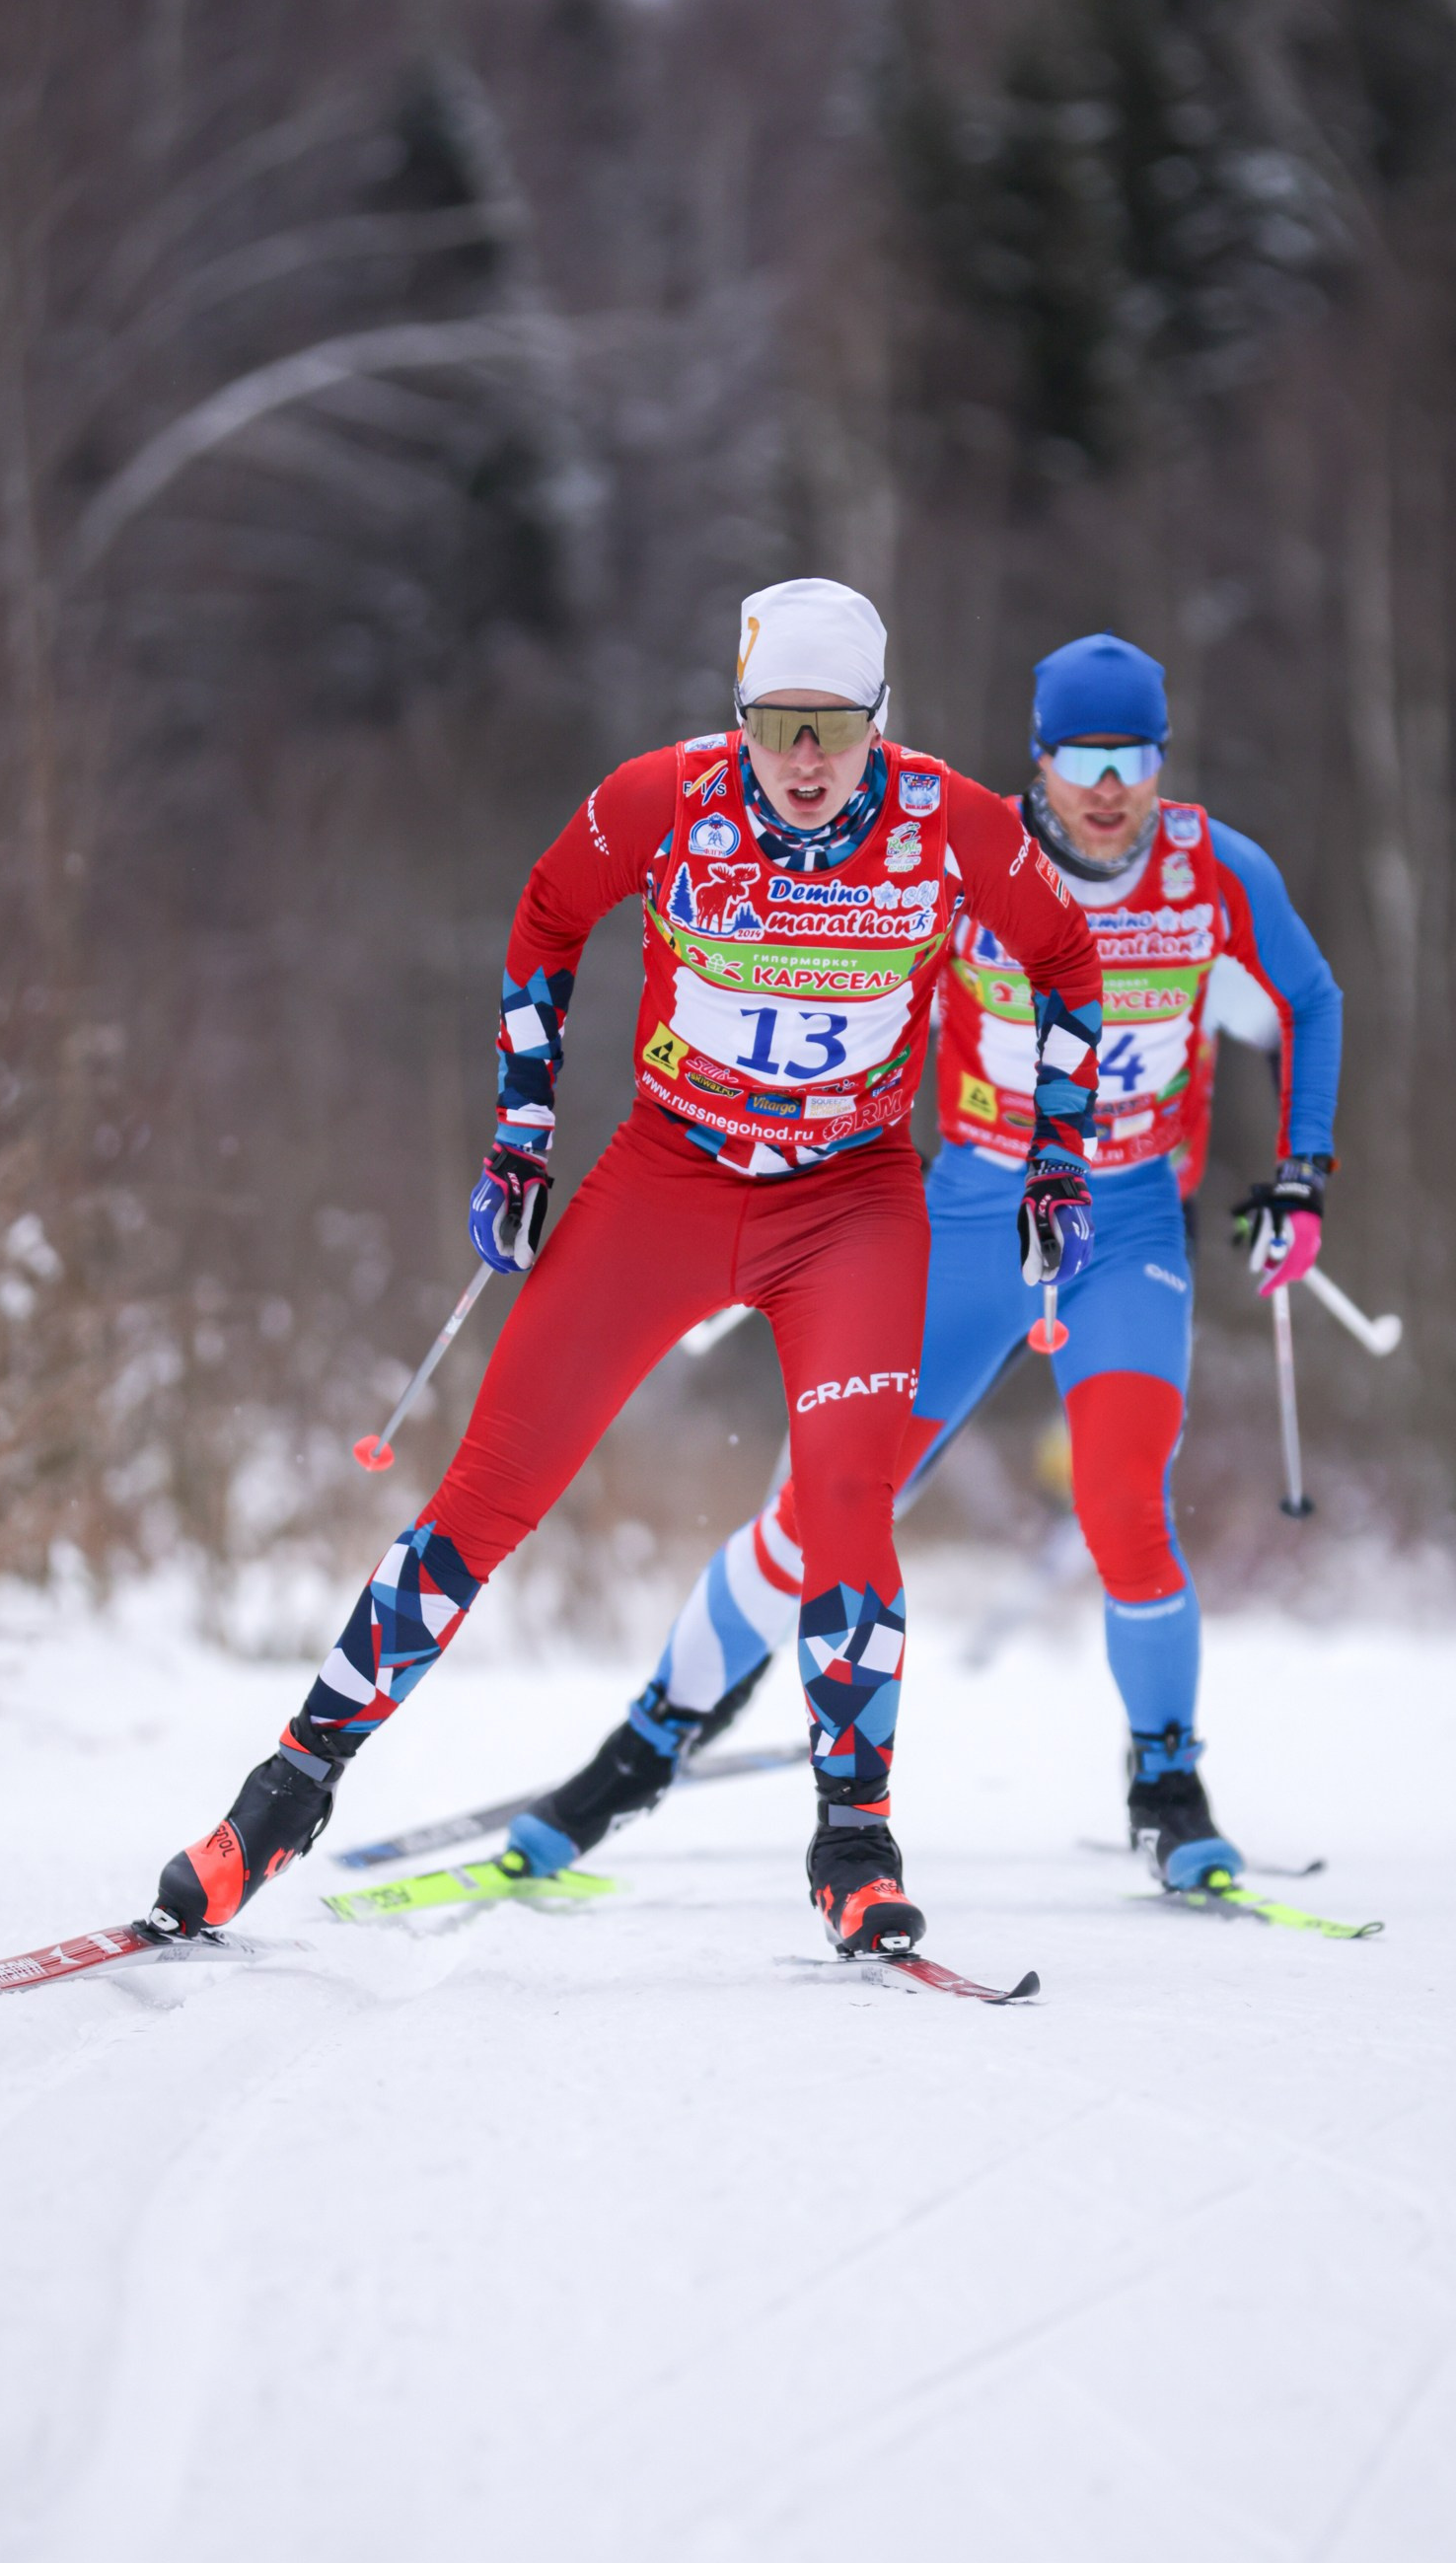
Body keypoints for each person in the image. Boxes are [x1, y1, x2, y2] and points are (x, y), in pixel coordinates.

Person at [147, 579, 1104, 1956]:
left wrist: (1055, 1160)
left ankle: (855, 1840)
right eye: (779, 726)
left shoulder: (949, 827)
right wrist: (520, 1141)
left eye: (834, 727)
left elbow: (1066, 962)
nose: (807, 760)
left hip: (850, 1204)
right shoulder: (666, 800)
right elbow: (547, 916)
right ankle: (280, 1800)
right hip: (670, 1181)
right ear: (739, 720)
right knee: (486, 1494)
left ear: (881, 723)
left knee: (847, 1503)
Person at [495, 630, 1342, 1893]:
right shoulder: (957, 846)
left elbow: (1309, 999)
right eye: (1081, 757)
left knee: (1123, 1505)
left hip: (1125, 1227)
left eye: (1135, 757)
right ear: (1039, 759)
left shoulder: (1215, 871)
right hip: (969, 1217)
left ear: (1163, 761)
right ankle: (647, 1745)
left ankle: (1167, 1782)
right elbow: (836, 971)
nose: (1108, 787)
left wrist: (1301, 1178)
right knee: (824, 1505)